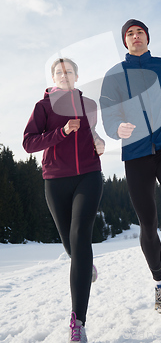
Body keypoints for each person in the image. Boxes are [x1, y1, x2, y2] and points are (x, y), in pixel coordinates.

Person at [100, 19, 161, 316]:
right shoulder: (115, 75)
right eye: (129, 33)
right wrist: (116, 129)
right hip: (136, 155)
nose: (135, 37)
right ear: (125, 41)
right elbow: (108, 111)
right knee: (148, 223)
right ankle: (160, 283)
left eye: (140, 32)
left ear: (147, 38)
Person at [23, 58, 105, 343]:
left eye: (69, 71)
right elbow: (29, 143)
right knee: (70, 244)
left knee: (81, 236)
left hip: (89, 176)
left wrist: (100, 143)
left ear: (77, 75)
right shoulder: (43, 107)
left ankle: (78, 321)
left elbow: (93, 133)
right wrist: (61, 132)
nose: (64, 75)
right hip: (56, 180)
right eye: (59, 72)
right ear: (54, 78)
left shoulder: (90, 105)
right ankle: (84, 264)